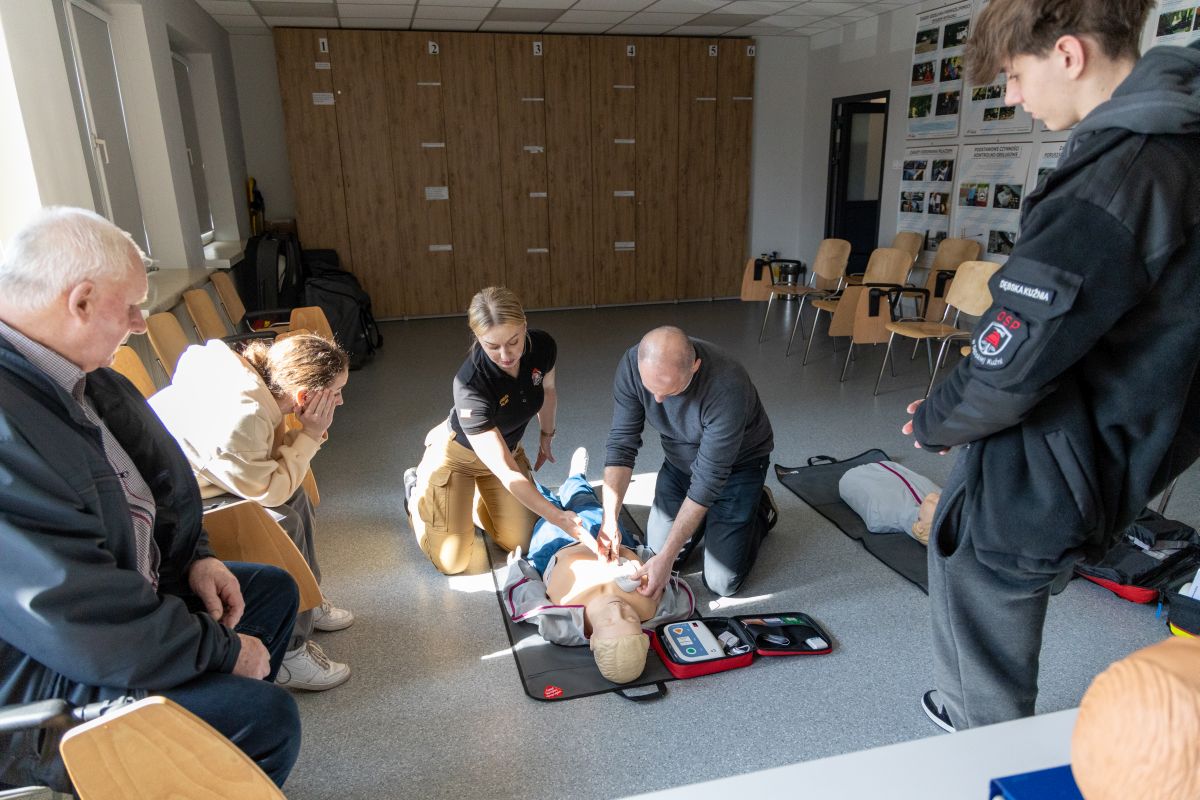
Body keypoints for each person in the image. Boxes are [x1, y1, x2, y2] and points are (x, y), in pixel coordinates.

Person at [902, 0, 1200, 733]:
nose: (1011, 97)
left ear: (1068, 55)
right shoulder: (1178, 138)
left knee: (979, 563)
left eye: (1013, 75)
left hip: (1075, 431)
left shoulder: (1121, 175)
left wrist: (937, 420)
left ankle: (984, 740)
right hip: (1143, 418)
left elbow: (1013, 356)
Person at [0, 207, 300, 791]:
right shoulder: (11, 423)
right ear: (81, 302)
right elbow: (78, 618)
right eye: (132, 306)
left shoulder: (82, 376)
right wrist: (223, 652)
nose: (141, 324)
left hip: (106, 617)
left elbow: (159, 490)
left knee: (269, 594)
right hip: (40, 677)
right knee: (261, 720)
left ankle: (196, 775)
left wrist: (196, 558)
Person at [150, 334, 354, 692]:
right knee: (280, 521)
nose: (339, 400)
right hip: (178, 505)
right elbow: (270, 492)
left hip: (214, 478)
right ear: (304, 397)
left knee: (297, 498)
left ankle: (310, 598)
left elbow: (270, 471)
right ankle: (290, 649)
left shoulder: (253, 379)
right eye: (335, 393)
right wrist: (311, 433)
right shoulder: (244, 415)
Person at [406, 287, 588, 575]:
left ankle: (470, 500)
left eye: (513, 341)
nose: (505, 355)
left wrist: (546, 436)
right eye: (492, 346)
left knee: (520, 542)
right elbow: (507, 473)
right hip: (459, 459)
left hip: (506, 451)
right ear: (477, 338)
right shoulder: (470, 384)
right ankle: (417, 490)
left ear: (524, 326)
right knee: (452, 562)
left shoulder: (542, 346)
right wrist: (558, 517)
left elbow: (548, 391)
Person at [599, 326, 776, 598]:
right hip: (680, 462)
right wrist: (609, 518)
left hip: (738, 467)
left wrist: (668, 555)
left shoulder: (727, 385)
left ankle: (761, 507)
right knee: (654, 556)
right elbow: (622, 445)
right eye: (651, 389)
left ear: (695, 366)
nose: (658, 400)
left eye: (669, 391)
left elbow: (707, 481)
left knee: (721, 583)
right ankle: (705, 519)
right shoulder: (633, 364)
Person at [503, 448, 693, 684]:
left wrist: (516, 569)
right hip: (608, 538)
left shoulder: (563, 624)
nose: (618, 610)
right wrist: (643, 559)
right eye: (630, 619)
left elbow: (527, 598)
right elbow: (678, 594)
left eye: (609, 622)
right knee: (583, 499)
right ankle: (575, 477)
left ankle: (533, 484)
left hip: (555, 546)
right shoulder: (651, 607)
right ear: (644, 634)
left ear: (592, 640)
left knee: (544, 507)